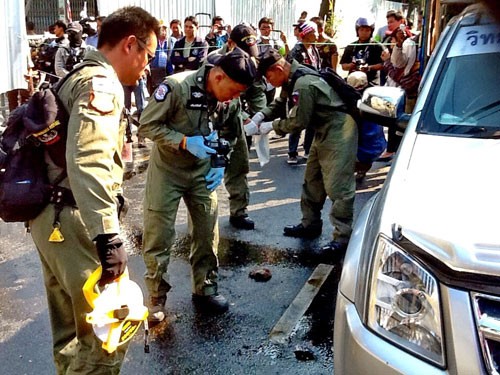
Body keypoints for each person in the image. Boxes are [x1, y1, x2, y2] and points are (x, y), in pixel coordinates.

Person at [28, 6, 158, 373]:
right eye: (147, 54)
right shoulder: (101, 83)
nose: (147, 66)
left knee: (70, 334)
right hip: (76, 221)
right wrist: (109, 238)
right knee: (108, 332)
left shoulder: (74, 75)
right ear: (130, 45)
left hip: (50, 218)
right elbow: (90, 163)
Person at [138, 47, 257, 323]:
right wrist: (183, 141)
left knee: (206, 231)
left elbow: (230, 134)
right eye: (235, 90)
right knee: (159, 234)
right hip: (168, 169)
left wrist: (220, 161)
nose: (236, 97)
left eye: (241, 93)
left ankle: (205, 288)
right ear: (218, 76)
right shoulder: (176, 87)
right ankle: (156, 297)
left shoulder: (230, 99)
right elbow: (146, 125)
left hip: (202, 171)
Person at [250, 49, 357, 254]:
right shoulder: (292, 78)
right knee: (312, 180)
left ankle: (342, 238)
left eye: (268, 76)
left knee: (338, 185)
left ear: (278, 69)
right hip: (323, 128)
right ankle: (310, 225)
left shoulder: (303, 84)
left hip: (338, 130)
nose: (267, 81)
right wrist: (260, 116)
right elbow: (281, 104)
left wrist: (271, 126)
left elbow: (298, 122)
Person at [210, 23, 266, 230]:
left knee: (239, 168)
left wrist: (260, 117)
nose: (249, 55)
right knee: (206, 173)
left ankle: (239, 212)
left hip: (236, 124)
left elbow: (256, 92)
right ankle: (204, 217)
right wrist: (243, 115)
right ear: (230, 43)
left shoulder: (251, 61)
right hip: (212, 123)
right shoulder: (213, 61)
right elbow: (215, 97)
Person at [287, 21, 321, 164]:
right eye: (314, 32)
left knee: (312, 122)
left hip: (313, 89)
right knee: (297, 120)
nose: (317, 35)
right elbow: (291, 72)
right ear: (306, 34)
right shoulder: (296, 51)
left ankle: (307, 149)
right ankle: (292, 152)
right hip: (299, 90)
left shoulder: (314, 49)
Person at [340, 16, 384, 86]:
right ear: (357, 30)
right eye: (362, 30)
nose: (364, 32)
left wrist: (369, 68)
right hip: (353, 82)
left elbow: (383, 65)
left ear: (371, 31)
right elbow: (343, 66)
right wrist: (351, 66)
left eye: (367, 30)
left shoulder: (377, 46)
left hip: (371, 82)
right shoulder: (350, 46)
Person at [257, 16, 288, 104]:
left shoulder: (276, 43)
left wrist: (285, 42)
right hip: (259, 80)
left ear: (272, 29)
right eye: (263, 28)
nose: (266, 31)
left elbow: (286, 57)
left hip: (272, 81)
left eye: (268, 28)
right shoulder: (255, 43)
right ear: (259, 29)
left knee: (270, 103)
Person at [148, 20, 169, 93]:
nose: (164, 32)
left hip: (167, 71)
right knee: (155, 92)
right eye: (161, 30)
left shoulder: (171, 41)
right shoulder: (152, 42)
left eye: (165, 30)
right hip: (155, 71)